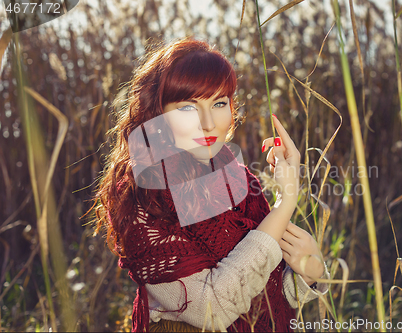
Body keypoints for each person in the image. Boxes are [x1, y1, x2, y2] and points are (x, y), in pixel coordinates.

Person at [93, 38, 329, 332]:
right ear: (157, 113)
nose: (207, 123)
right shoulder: (144, 197)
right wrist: (285, 204)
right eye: (187, 108)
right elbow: (212, 310)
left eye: (218, 103)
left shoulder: (241, 181)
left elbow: (264, 290)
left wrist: (308, 273)